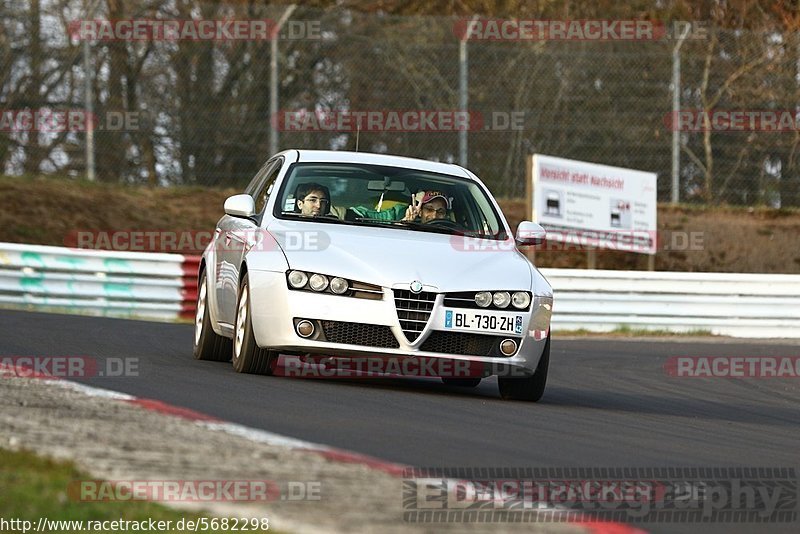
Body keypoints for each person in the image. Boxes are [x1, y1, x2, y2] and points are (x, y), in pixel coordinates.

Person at [348, 190, 452, 223]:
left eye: (440, 211)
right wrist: (405, 222)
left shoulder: (455, 236)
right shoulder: (397, 214)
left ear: (446, 215)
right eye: (429, 209)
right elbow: (361, 215)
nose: (434, 215)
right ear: (420, 211)